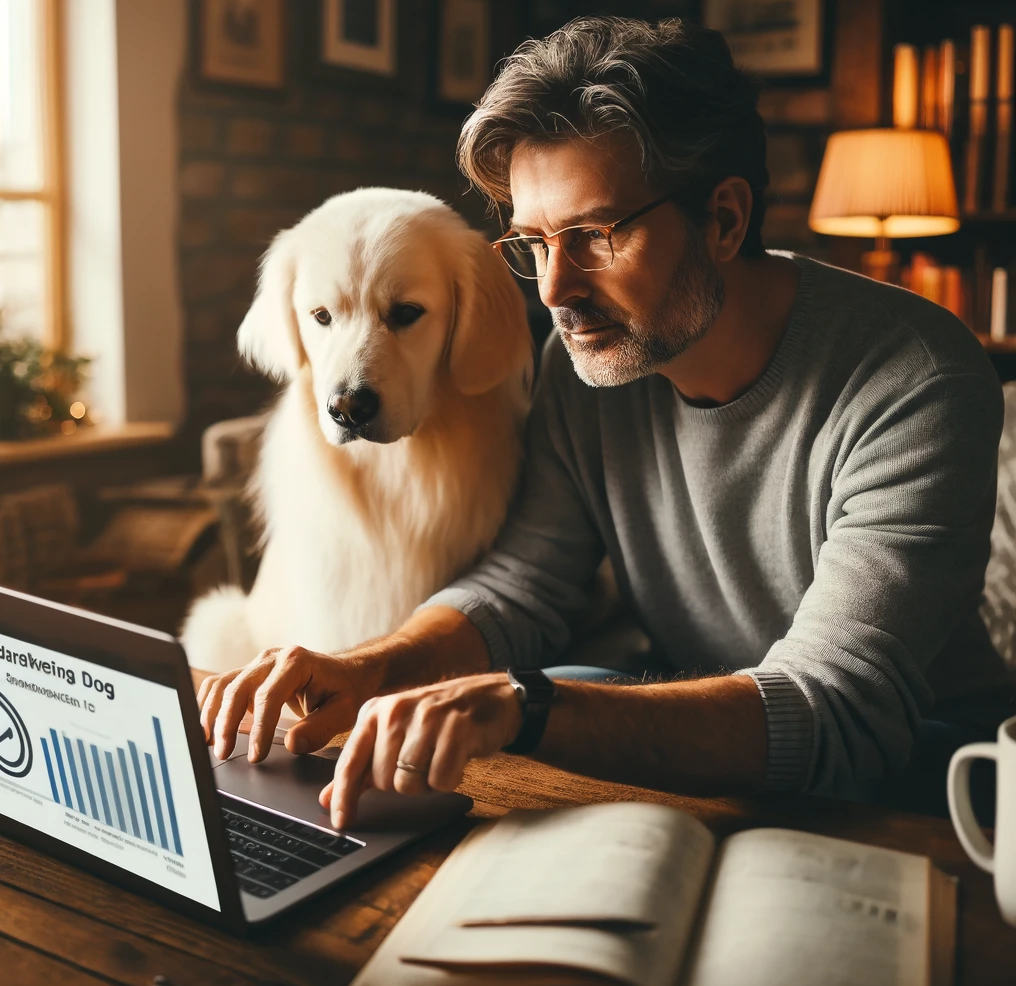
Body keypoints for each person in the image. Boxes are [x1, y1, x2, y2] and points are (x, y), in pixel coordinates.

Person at [198, 16, 1008, 828]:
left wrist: (532, 705)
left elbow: (838, 708)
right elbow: (526, 585)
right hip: (693, 767)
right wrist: (370, 668)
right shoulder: (586, 365)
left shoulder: (917, 378)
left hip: (926, 792)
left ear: (724, 220)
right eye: (534, 242)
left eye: (594, 235)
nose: (554, 289)